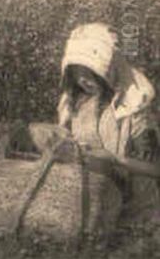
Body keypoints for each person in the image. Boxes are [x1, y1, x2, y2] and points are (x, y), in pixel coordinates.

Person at [57, 22, 160, 220]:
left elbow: (155, 169)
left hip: (134, 207)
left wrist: (114, 160)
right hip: (86, 203)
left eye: (91, 74)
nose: (84, 81)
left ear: (108, 70)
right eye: (78, 75)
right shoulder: (74, 104)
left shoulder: (134, 110)